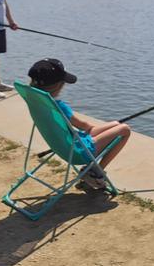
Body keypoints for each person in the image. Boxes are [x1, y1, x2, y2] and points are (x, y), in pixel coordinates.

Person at [28, 57, 132, 190]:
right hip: (78, 152)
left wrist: (101, 128)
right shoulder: (59, 107)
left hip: (61, 146)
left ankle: (94, 170)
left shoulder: (36, 102)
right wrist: (93, 128)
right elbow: (85, 126)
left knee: (115, 124)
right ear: (59, 85)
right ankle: (96, 172)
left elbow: (84, 129)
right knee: (124, 129)